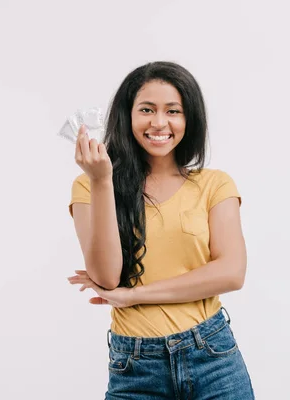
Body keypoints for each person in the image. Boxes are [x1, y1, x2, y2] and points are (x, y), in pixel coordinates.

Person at [66, 61, 255, 399]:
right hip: (135, 367)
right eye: (147, 109)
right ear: (128, 116)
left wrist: (134, 295)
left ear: (189, 119)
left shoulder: (214, 184)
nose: (159, 122)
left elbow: (231, 273)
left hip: (213, 357)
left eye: (173, 111)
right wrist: (102, 180)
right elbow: (107, 278)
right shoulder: (89, 186)